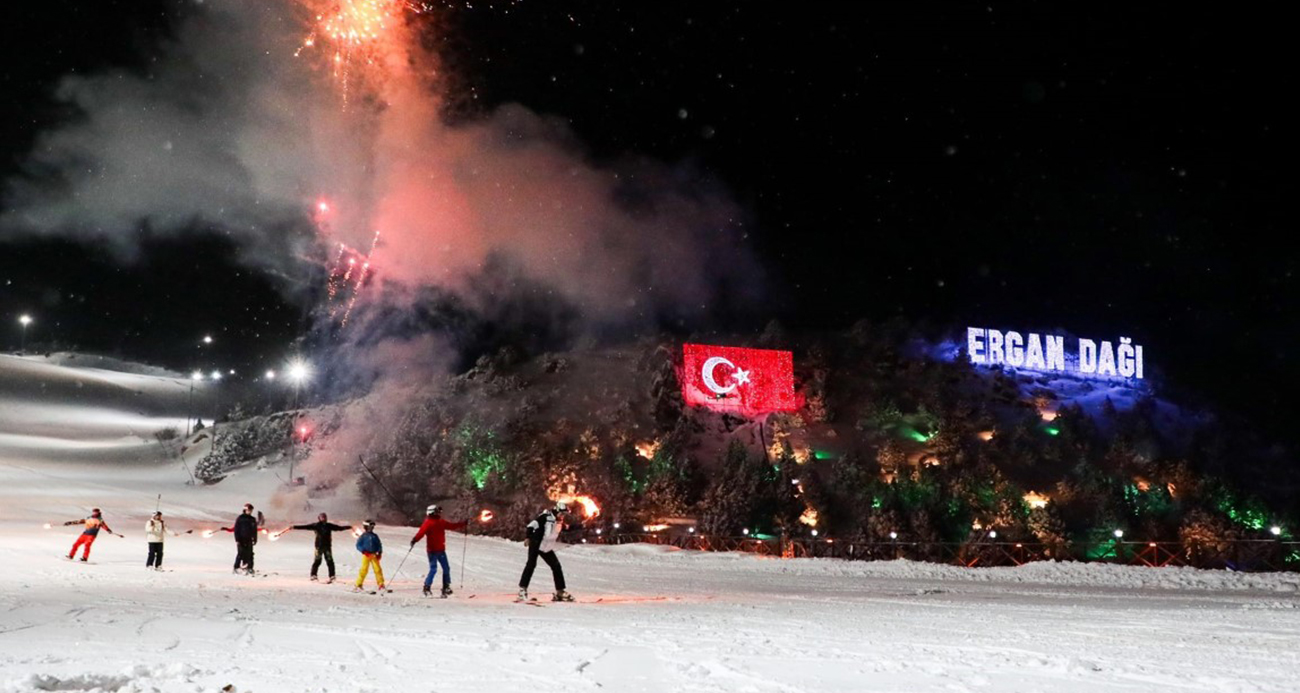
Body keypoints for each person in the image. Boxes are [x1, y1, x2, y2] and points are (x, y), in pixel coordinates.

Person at [517, 500, 573, 602]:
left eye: (564, 514)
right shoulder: (545, 517)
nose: (563, 516)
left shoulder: (559, 522)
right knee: (531, 565)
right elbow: (531, 525)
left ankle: (560, 591)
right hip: (536, 544)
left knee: (556, 566)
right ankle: (522, 589)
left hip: (546, 547)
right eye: (562, 513)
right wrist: (528, 537)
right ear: (557, 511)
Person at [410, 504, 468, 597]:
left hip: (441, 550)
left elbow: (452, 526)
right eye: (437, 511)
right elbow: (421, 533)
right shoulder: (428, 523)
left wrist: (463, 523)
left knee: (446, 568)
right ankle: (427, 587)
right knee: (433, 569)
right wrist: (414, 540)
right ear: (432, 512)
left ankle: (446, 587)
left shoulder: (440, 522)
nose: (439, 513)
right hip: (432, 551)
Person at [284, 512, 352, 583]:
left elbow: (339, 528)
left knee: (330, 561)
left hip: (327, 547)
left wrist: (348, 527)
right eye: (322, 517)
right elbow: (305, 527)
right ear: (319, 518)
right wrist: (294, 527)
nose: (324, 518)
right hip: (319, 547)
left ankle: (332, 576)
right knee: (317, 561)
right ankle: (313, 575)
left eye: (324, 517)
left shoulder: (329, 526)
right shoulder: (316, 525)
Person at [221, 503, 260, 575]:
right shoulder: (240, 518)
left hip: (249, 539)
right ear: (245, 510)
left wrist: (255, 538)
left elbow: (254, 530)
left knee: (250, 554)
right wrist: (237, 539)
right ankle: (236, 567)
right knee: (240, 554)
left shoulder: (252, 519)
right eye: (249, 510)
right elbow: (236, 529)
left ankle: (250, 568)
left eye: (251, 510)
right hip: (241, 539)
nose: (250, 511)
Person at [354, 519, 387, 593]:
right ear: (366, 527)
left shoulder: (375, 536)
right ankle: (358, 584)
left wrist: (380, 552)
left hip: (374, 554)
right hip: (366, 555)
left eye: (372, 527)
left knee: (377, 569)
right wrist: (363, 551)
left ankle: (381, 584)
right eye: (370, 527)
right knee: (364, 569)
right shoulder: (363, 536)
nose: (371, 529)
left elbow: (379, 544)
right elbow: (358, 545)